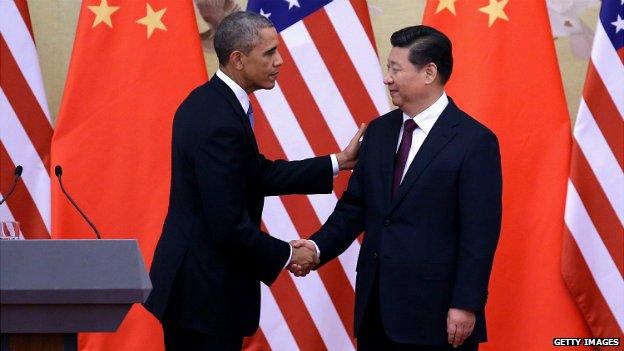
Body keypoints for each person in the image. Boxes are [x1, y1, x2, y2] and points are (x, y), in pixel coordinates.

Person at [144, 11, 365, 350]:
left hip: (199, 289)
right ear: (238, 59)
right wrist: (288, 254)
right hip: (202, 294)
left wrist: (338, 162)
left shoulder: (213, 102)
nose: (279, 61)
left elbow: (257, 174)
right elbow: (228, 225)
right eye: (269, 53)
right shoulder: (218, 118)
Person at [292, 25, 502, 350]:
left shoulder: (474, 141)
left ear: (429, 72)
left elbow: (480, 234)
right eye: (387, 68)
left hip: (438, 315)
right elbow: (354, 207)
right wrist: (316, 248)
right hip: (376, 310)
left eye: (395, 69)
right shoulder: (378, 132)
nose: (387, 78)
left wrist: (466, 303)